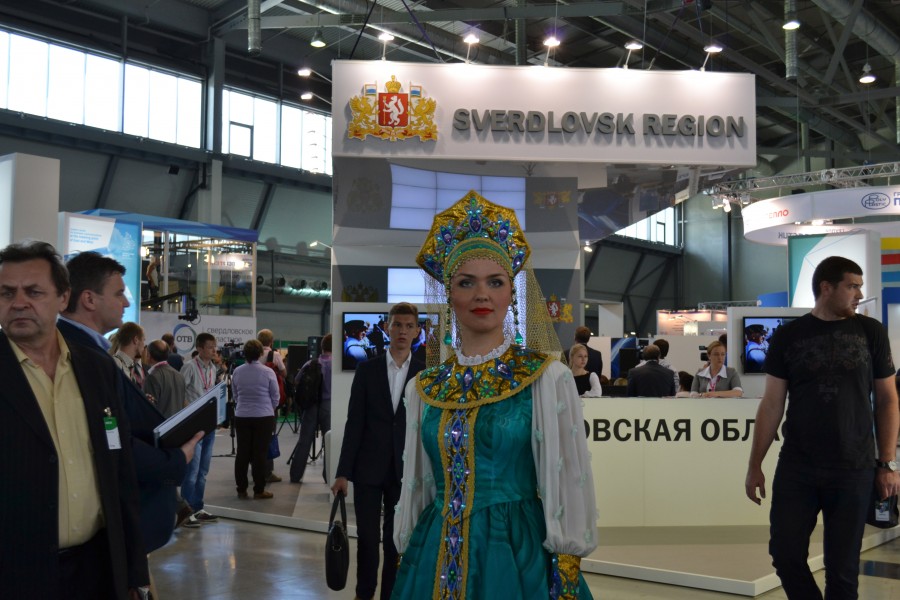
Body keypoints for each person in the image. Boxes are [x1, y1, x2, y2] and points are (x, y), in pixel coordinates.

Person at [392, 192, 597, 599]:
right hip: (434, 550)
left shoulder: (546, 378)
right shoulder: (424, 388)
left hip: (516, 555)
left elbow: (565, 476)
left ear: (510, 294)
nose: (482, 294)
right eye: (466, 282)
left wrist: (566, 558)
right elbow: (417, 483)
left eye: (495, 282)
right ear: (449, 294)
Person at [0, 241, 150, 598]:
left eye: (34, 291)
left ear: (63, 297)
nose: (19, 302)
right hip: (16, 574)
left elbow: (120, 473)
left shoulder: (97, 368)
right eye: (7, 293)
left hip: (97, 569)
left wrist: (133, 572)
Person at [745, 256, 900, 599]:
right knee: (785, 556)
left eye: (860, 286)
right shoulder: (788, 335)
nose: (859, 295)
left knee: (842, 571)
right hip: (798, 465)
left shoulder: (870, 331)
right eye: (852, 286)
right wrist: (755, 464)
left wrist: (887, 463)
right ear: (826, 288)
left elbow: (888, 399)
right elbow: (772, 403)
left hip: (854, 466)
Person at [58, 251, 201, 562]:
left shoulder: (88, 351)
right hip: (107, 528)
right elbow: (108, 439)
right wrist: (174, 459)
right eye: (119, 293)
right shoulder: (78, 355)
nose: (125, 302)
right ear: (89, 299)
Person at [331, 303, 425, 600]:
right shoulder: (367, 370)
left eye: (409, 326)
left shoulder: (425, 375)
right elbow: (354, 423)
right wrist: (343, 472)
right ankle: (364, 593)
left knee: (396, 540)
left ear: (417, 331)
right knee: (368, 539)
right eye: (397, 325)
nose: (402, 331)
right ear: (387, 328)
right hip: (368, 468)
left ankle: (390, 594)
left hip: (405, 471)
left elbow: (426, 428)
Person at [231, 338, 280, 500]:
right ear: (260, 353)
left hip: (242, 416)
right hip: (263, 416)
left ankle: (241, 489)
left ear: (244, 354)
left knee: (242, 453)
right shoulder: (268, 372)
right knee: (260, 453)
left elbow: (235, 394)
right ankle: (259, 490)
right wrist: (269, 408)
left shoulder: (237, 371)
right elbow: (275, 396)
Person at [180, 332, 220, 527]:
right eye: (210, 347)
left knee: (203, 471)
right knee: (192, 471)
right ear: (200, 348)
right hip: (193, 425)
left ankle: (198, 507)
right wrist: (190, 412)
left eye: (214, 347)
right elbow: (180, 392)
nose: (214, 350)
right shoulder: (189, 367)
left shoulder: (212, 368)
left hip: (208, 423)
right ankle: (185, 512)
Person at [290, 334, 334, 484]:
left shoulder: (311, 363)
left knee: (304, 441)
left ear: (322, 347)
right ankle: (328, 476)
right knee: (329, 442)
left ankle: (295, 475)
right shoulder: (336, 365)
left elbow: (296, 381)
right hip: (329, 406)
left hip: (311, 406)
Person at [258, 328, 286, 483]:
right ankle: (267, 472)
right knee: (268, 436)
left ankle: (256, 467)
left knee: (255, 437)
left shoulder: (254, 355)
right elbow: (284, 372)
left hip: (254, 401)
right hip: (269, 401)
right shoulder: (274, 355)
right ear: (271, 341)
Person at [144, 339, 187, 419]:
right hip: (178, 423)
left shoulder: (152, 377)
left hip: (161, 424)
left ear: (149, 355)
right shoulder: (179, 375)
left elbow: (149, 409)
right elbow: (183, 403)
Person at [110, 321, 146, 389]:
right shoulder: (115, 364)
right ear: (136, 340)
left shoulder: (129, 366)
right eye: (143, 340)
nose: (144, 346)